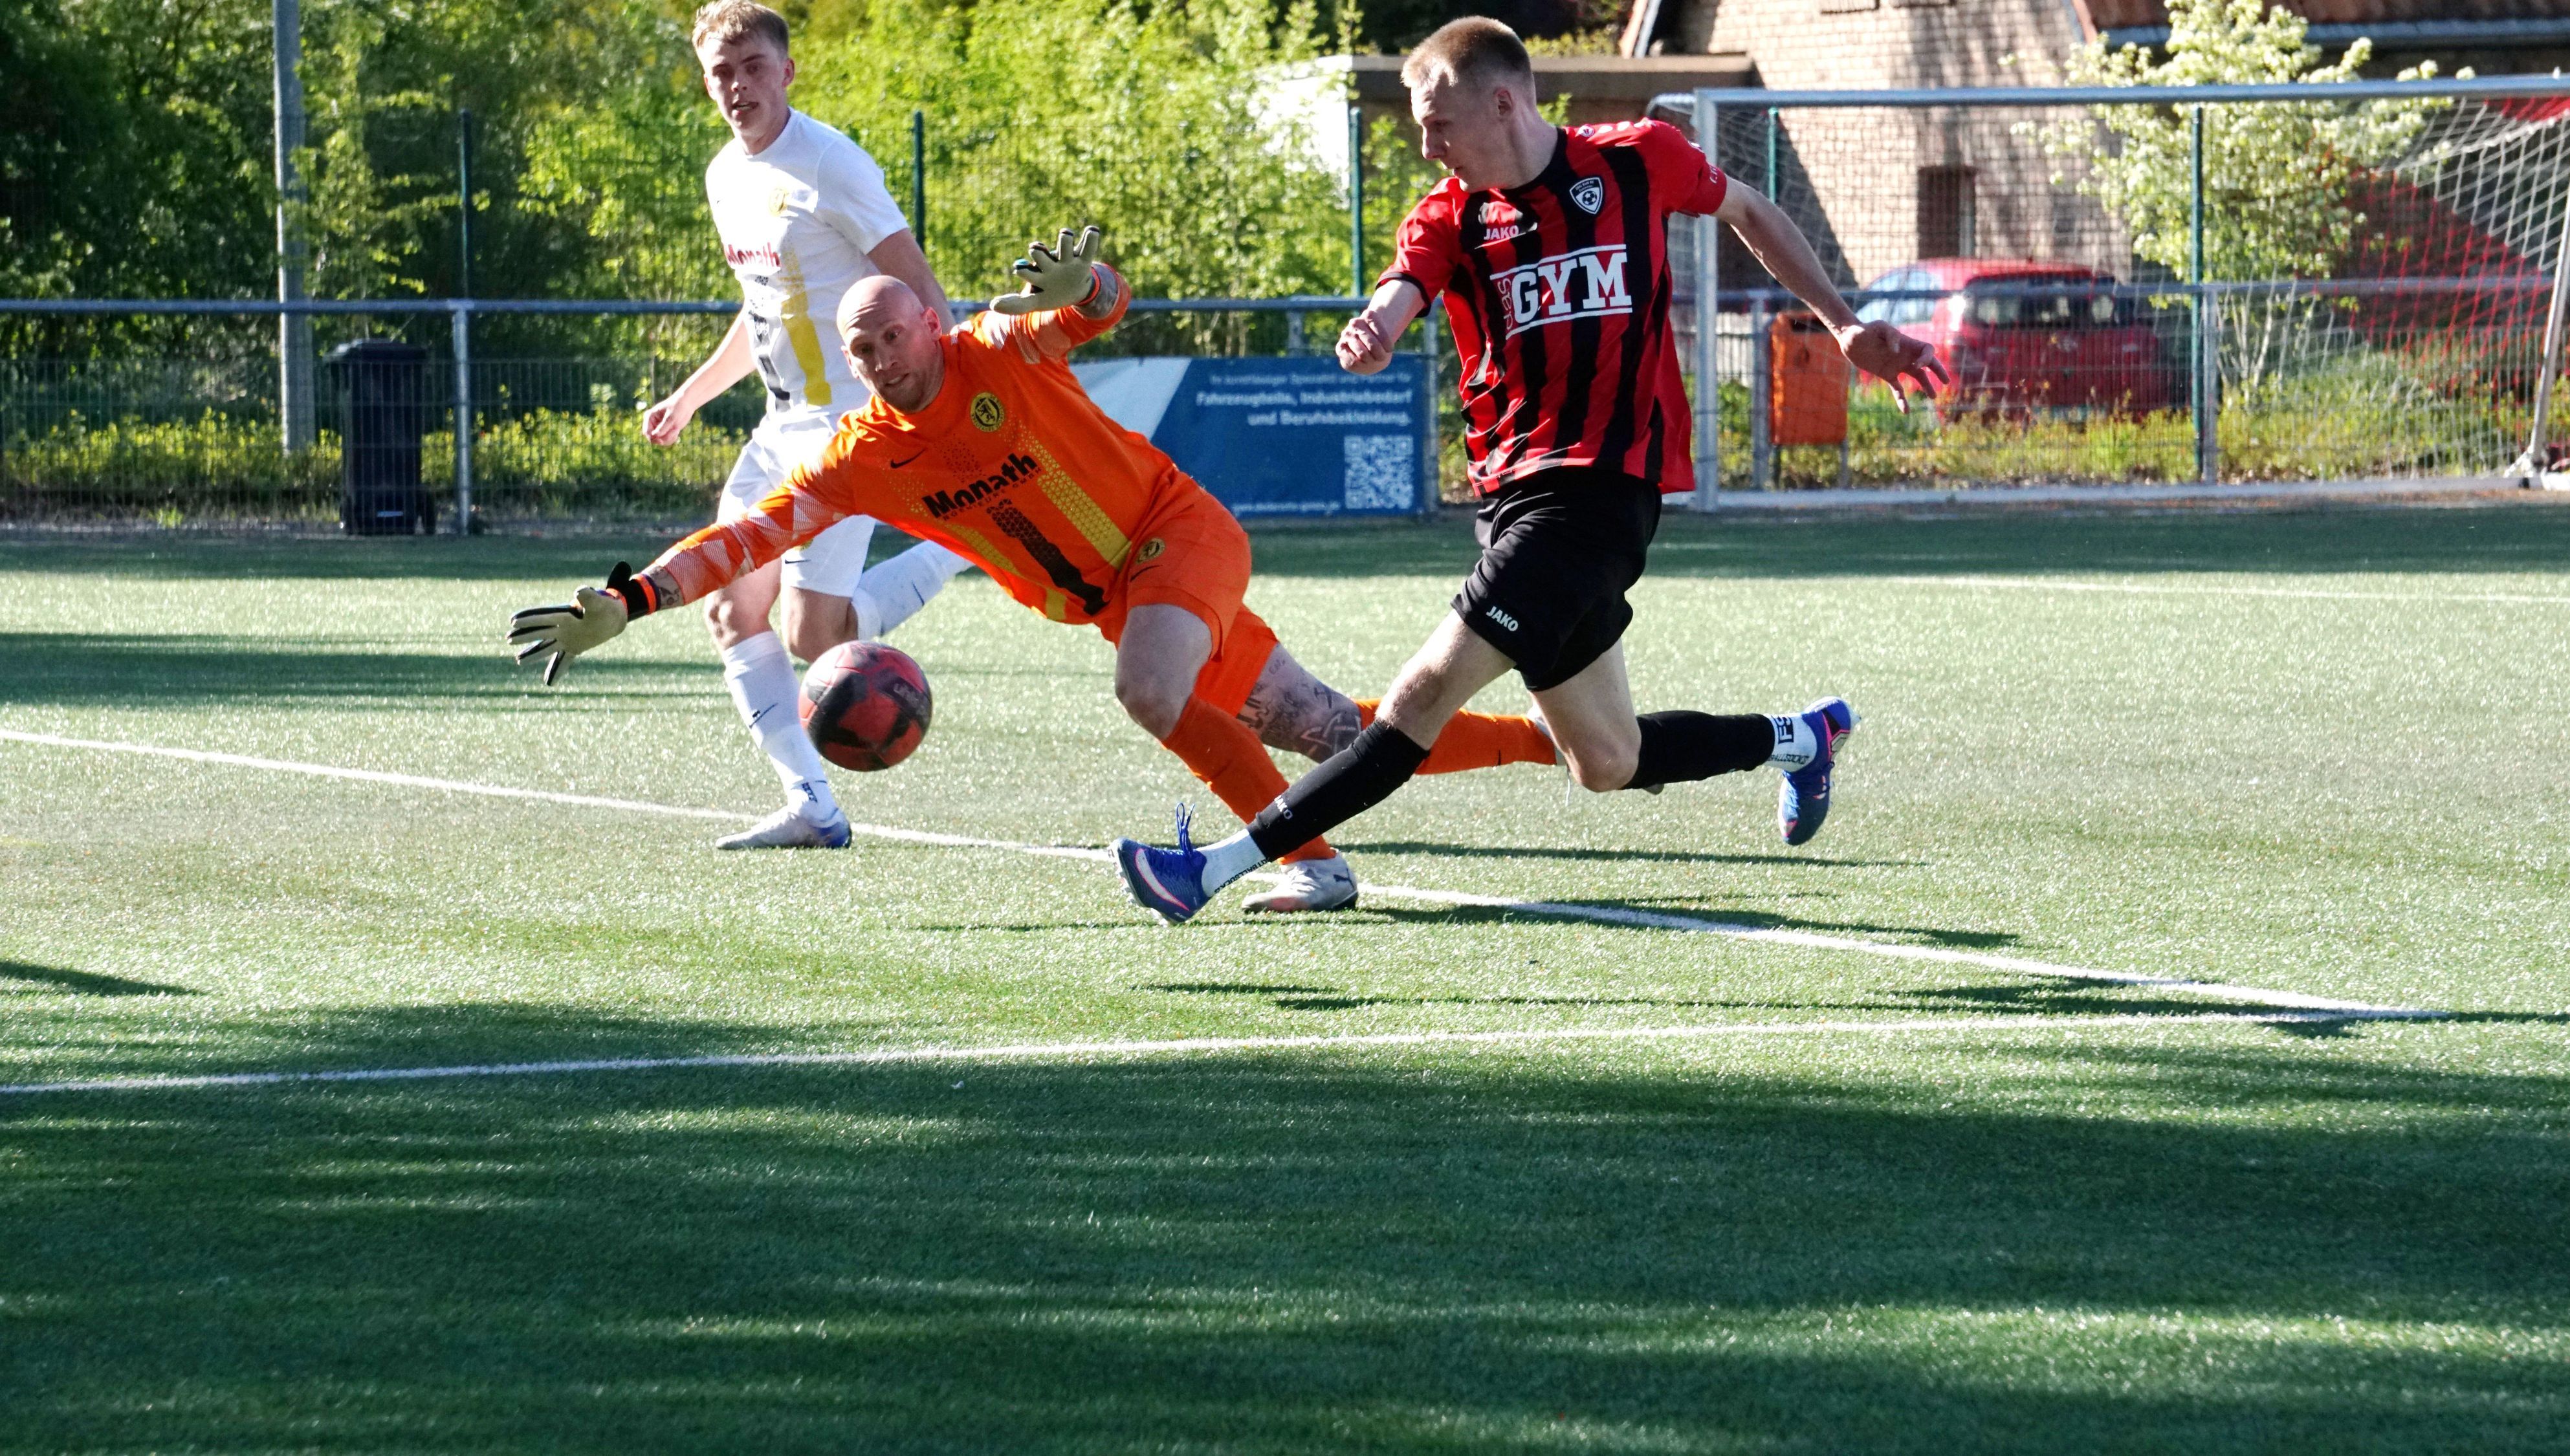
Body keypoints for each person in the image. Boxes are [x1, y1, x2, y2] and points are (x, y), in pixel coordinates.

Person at [1112, 17, 1945, 924]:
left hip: (1602, 494)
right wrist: (1380, 328)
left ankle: (1209, 869)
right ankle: (1802, 739)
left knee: (1422, 692)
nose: (1428, 146)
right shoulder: (1452, 212)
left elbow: (1748, 210)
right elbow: (1407, 285)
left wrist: (1843, 322)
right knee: (1606, 760)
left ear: (1503, 102)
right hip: (1510, 501)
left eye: (1439, 124)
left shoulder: (1639, 159)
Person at [509, 230, 1561, 913]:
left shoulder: (994, 349)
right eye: (860, 348)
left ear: (929, 319)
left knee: (1150, 691)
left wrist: (1092, 283)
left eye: (891, 332)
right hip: (1119, 596)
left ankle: (1304, 867)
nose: (880, 356)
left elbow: (1091, 309)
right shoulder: (861, 456)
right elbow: (745, 542)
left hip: (1176, 530)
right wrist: (631, 600)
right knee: (1330, 730)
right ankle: (1547, 744)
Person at [637, 0, 976, 851]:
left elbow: (922, 294)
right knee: (729, 610)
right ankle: (813, 806)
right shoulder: (724, 176)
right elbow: (762, 310)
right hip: (776, 429)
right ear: (707, 83)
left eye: (755, 68)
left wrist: (948, 411)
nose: (739, 86)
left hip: (847, 428)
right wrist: (694, 394)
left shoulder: (831, 162)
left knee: (811, 635)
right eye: (723, 73)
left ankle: (948, 549)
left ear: (787, 72)